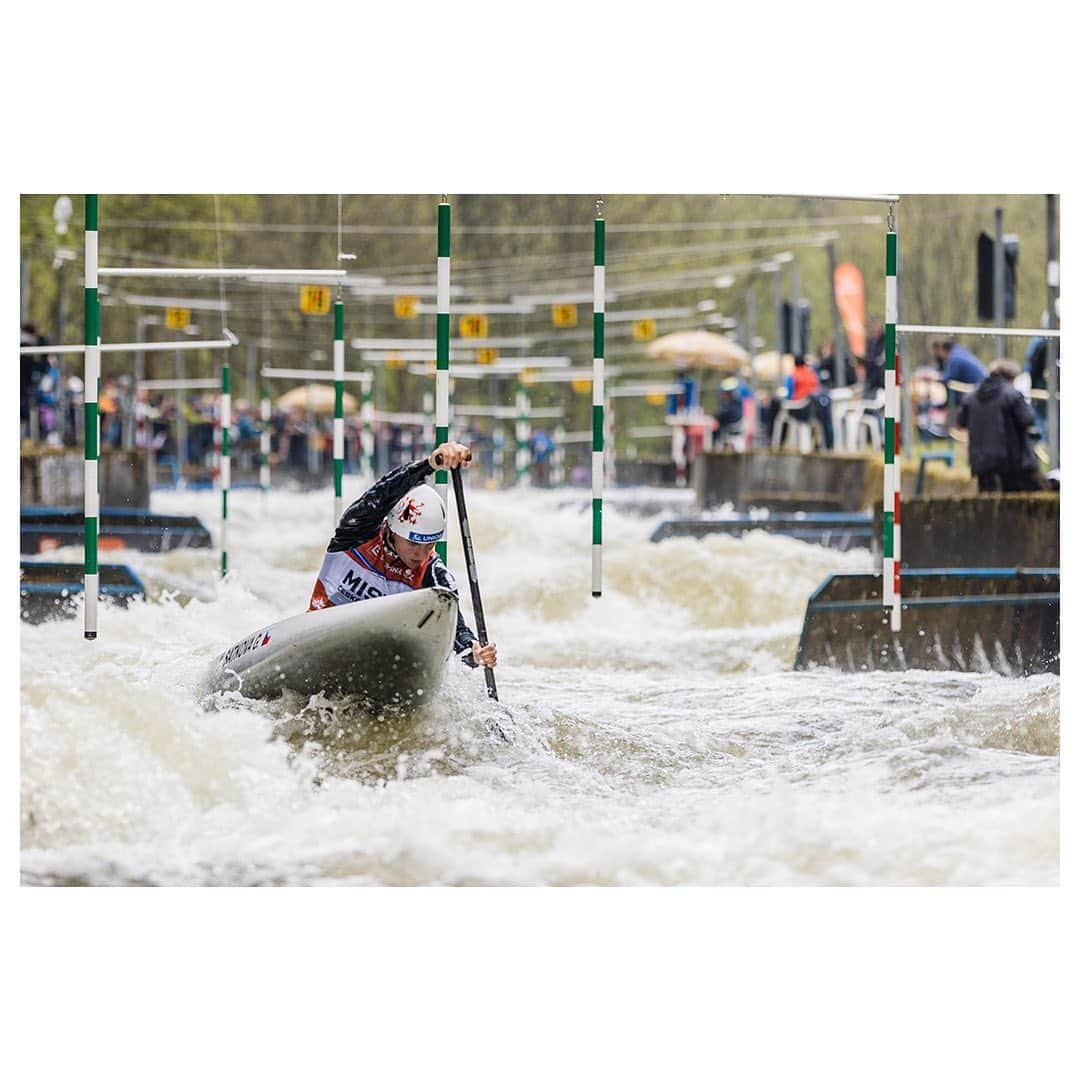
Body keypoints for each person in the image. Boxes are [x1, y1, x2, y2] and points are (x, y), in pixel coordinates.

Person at [308, 440, 497, 670]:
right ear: (392, 529)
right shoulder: (356, 533)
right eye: (412, 544)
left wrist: (473, 651)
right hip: (320, 637)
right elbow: (383, 492)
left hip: (376, 658)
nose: (420, 554)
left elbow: (454, 632)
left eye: (429, 545)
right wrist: (430, 464)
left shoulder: (434, 574)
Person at [956, 360, 1043, 493]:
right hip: (1012, 462)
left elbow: (961, 422)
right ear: (1012, 377)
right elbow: (1028, 419)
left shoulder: (970, 396)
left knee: (987, 503)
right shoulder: (1012, 395)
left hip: (981, 462)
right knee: (1014, 501)